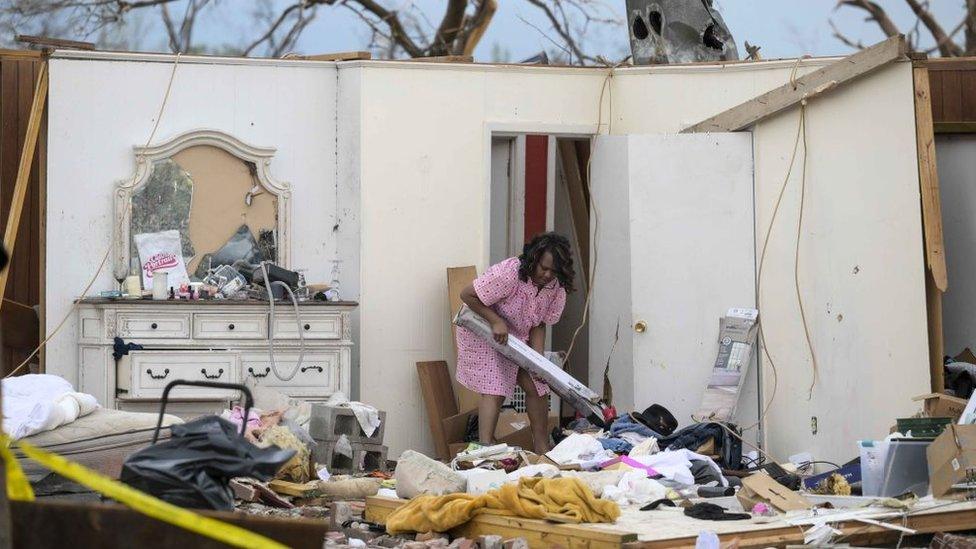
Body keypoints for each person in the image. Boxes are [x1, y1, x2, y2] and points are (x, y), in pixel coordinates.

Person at [456, 232, 575, 454]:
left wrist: (537, 361)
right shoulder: (509, 272)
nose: (547, 275)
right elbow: (467, 295)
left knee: (537, 384)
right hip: (484, 328)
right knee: (496, 384)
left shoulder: (555, 288)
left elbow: (539, 323)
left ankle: (542, 448)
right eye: (543, 268)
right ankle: (485, 449)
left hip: (517, 336)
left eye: (553, 271)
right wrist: (496, 320)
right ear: (534, 259)